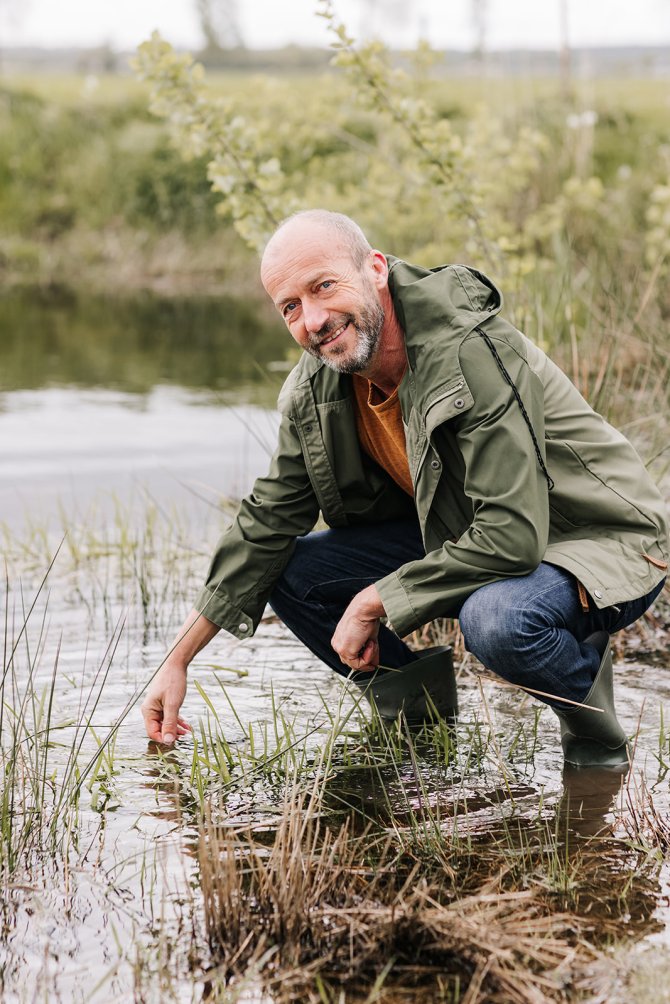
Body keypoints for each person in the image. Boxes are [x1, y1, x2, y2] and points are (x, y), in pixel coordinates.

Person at [141, 209, 668, 767]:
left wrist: (376, 601)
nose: (313, 320)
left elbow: (513, 536)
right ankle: (422, 724)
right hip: (465, 532)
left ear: (374, 269)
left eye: (324, 286)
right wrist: (178, 659)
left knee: (497, 620)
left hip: (595, 539)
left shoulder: (470, 349)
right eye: (290, 307)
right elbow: (266, 524)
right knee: (292, 574)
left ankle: (597, 744)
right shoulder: (315, 387)